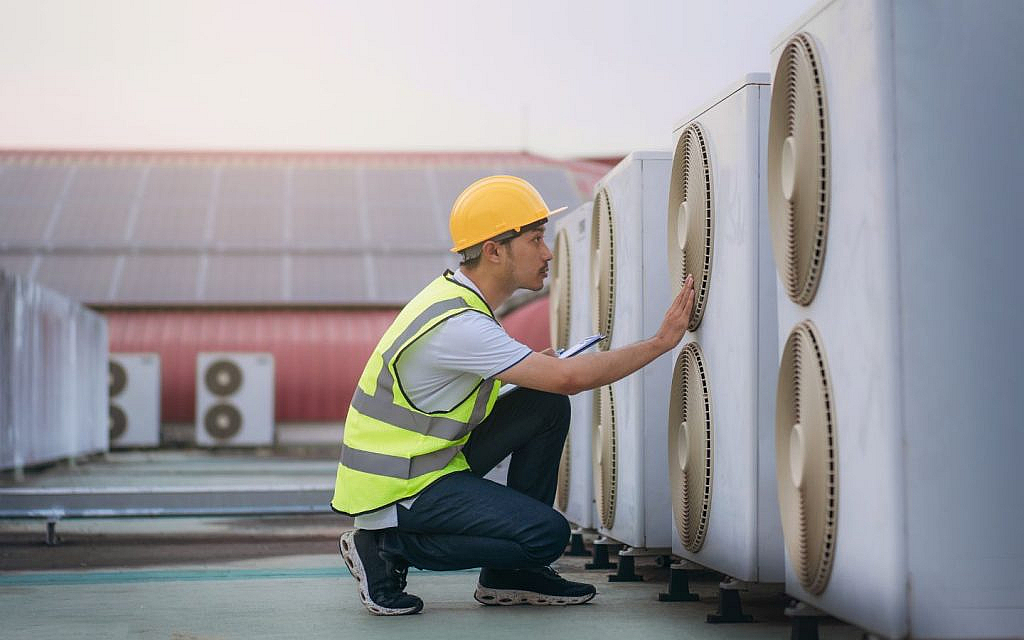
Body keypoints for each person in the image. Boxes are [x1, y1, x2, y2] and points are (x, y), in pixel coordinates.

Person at [331, 175, 696, 616]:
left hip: (428, 464)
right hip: (399, 488)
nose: (547, 253)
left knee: (542, 404)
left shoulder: (459, 304)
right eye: (536, 239)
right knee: (547, 535)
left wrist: (535, 371)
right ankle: (387, 548)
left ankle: (509, 576)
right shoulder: (461, 325)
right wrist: (660, 342)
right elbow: (567, 379)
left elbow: (471, 389)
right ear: (494, 250)